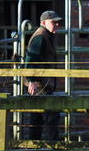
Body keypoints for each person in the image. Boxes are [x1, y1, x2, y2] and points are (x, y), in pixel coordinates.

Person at [25, 10, 62, 141]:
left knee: (37, 118)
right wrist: (31, 81)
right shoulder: (40, 37)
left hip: (42, 83)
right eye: (53, 22)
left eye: (57, 22)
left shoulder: (46, 35)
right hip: (40, 85)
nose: (56, 25)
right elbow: (30, 60)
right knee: (52, 115)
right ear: (44, 23)